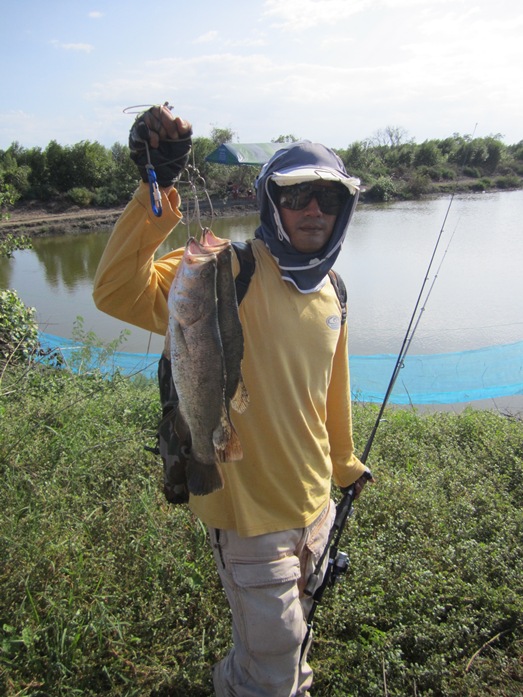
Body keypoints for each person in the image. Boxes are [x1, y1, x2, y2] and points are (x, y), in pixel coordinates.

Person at [93, 104, 374, 697]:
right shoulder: (223, 270)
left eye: (327, 198)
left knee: (286, 636)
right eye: (296, 197)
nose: (313, 211)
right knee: (275, 672)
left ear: (345, 209)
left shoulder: (333, 292)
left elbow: (331, 394)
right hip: (251, 518)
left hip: (316, 504)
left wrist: (345, 466)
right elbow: (117, 289)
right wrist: (159, 186)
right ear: (272, 202)